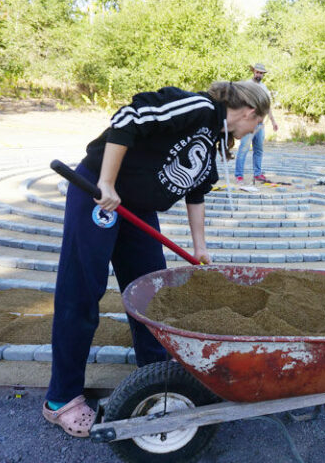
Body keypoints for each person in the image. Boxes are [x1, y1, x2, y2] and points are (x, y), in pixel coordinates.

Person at [42, 81, 270, 438]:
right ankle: (61, 399)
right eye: (257, 125)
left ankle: (157, 372)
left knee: (151, 294)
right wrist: (107, 183)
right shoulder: (197, 109)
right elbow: (129, 118)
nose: (253, 132)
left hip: (138, 208)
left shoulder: (210, 141)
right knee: (83, 291)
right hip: (100, 194)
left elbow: (196, 192)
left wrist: (200, 247)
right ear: (250, 112)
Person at [235, 63, 278, 184]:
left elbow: (267, 106)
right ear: (253, 71)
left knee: (258, 150)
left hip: (260, 125)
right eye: (257, 72)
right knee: (243, 149)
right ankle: (239, 176)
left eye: (261, 73)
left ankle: (257, 174)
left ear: (263, 75)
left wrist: (273, 121)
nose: (259, 74)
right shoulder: (247, 85)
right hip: (248, 124)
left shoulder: (264, 87)